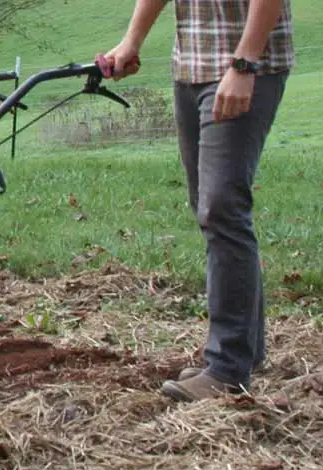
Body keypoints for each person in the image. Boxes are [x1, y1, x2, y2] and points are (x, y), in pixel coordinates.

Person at [99, 0, 294, 402]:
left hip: (242, 69)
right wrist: (131, 41)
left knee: (221, 206)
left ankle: (227, 367)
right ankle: (247, 350)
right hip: (191, 65)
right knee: (212, 209)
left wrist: (244, 66)